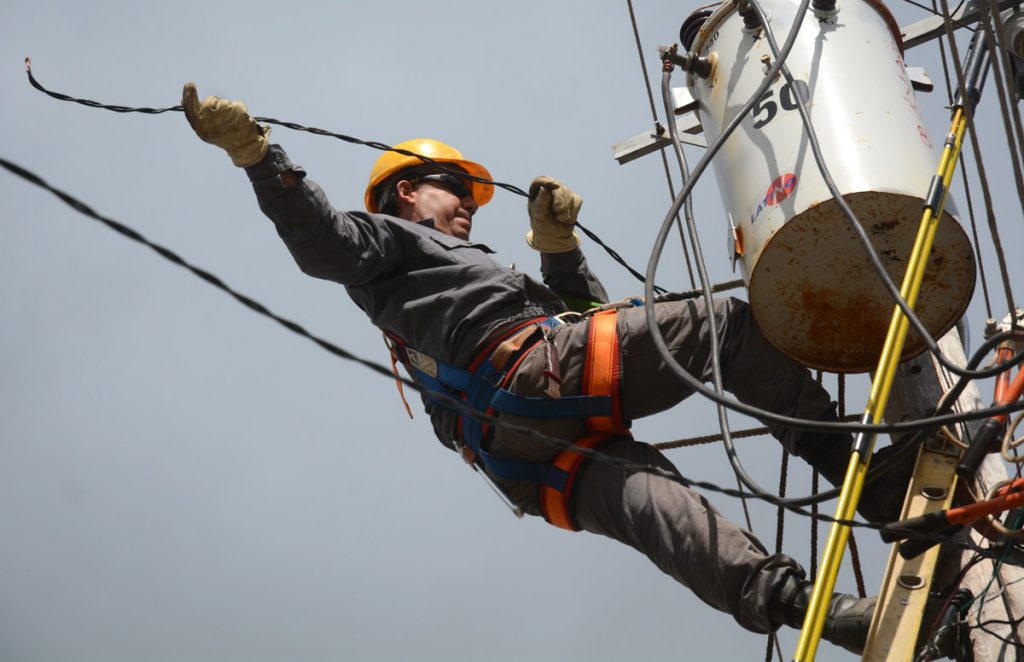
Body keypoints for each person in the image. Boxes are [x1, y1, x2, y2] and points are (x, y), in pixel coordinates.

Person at [181, 82, 911, 654]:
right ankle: (866, 478)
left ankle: (816, 611)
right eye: (455, 192)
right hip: (536, 380)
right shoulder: (387, 245)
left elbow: (588, 318)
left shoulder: (453, 275)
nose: (469, 206)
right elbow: (322, 242)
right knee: (729, 326)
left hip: (527, 455)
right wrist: (259, 157)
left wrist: (555, 245)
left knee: (665, 514)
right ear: (408, 192)